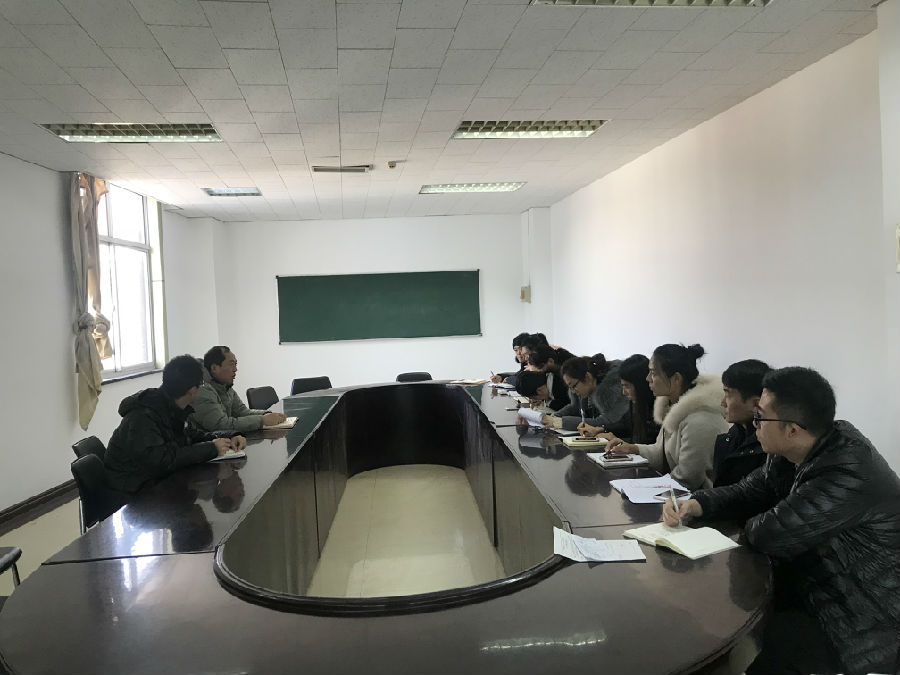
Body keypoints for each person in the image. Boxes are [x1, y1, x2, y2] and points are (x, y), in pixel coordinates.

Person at [663, 367, 900, 675]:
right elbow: (747, 490)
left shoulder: (847, 471)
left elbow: (769, 535)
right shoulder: (796, 448)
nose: (755, 425)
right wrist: (696, 504)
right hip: (812, 586)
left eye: (760, 417)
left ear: (793, 430)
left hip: (861, 616)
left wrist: (747, 521)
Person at [104, 355, 246, 494]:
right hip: (130, 493)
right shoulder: (143, 416)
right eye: (202, 384)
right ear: (192, 390)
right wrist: (211, 448)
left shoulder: (173, 407)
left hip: (154, 484)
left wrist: (230, 437)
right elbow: (160, 461)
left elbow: (193, 436)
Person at [607, 344, 726, 490]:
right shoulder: (673, 407)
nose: (648, 378)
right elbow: (661, 453)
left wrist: (646, 488)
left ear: (676, 378)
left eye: (653, 373)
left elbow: (688, 479)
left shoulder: (701, 419)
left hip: (696, 499)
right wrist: (633, 449)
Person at [191, 346, 286, 432]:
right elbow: (221, 425)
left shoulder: (225, 386)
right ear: (214, 368)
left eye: (236, 364)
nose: (235, 369)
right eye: (231, 364)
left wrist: (267, 414)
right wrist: (262, 420)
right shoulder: (201, 390)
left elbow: (242, 412)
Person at [542, 354, 631, 437]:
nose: (573, 392)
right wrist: (553, 416)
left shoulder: (611, 390)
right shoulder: (589, 388)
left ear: (587, 377)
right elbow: (575, 407)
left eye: (573, 386)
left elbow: (605, 422)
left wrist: (560, 422)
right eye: (570, 388)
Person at [714, 359, 771, 487]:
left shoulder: (771, 452)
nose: (723, 403)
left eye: (728, 394)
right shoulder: (731, 437)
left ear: (756, 404)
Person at [580, 354, 659, 443]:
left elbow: (649, 445)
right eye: (622, 386)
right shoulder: (635, 403)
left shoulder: (658, 410)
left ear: (640, 384)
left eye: (627, 386)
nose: (624, 392)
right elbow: (625, 426)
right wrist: (601, 429)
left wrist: (618, 441)